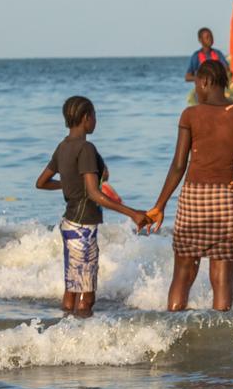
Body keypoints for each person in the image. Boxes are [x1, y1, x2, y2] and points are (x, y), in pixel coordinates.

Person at [144, 60, 233, 311]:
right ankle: (222, 339)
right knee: (222, 281)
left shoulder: (191, 114)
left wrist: (160, 205)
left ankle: (173, 335)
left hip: (194, 200)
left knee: (183, 276)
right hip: (227, 199)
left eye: (197, 86)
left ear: (204, 82)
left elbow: (178, 166)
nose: (197, 92)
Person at [36, 96, 152, 317]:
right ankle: (83, 341)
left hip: (69, 223)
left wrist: (70, 184)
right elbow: (94, 193)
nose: (96, 120)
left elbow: (41, 182)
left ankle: (65, 334)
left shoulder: (63, 147)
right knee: (87, 296)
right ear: (86, 118)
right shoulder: (86, 148)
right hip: (83, 227)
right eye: (95, 116)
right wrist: (132, 213)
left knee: (71, 288)